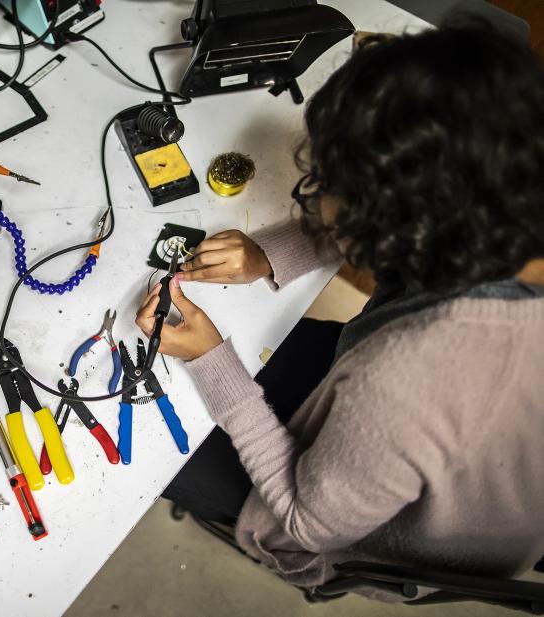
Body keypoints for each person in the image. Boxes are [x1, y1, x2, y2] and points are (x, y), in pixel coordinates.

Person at [135, 22, 544, 597]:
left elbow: (308, 521)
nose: (320, 200)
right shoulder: (512, 207)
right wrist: (266, 256)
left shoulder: (413, 376)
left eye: (330, 186)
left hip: (368, 528)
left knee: (141, 462)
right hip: (461, 452)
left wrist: (211, 361)